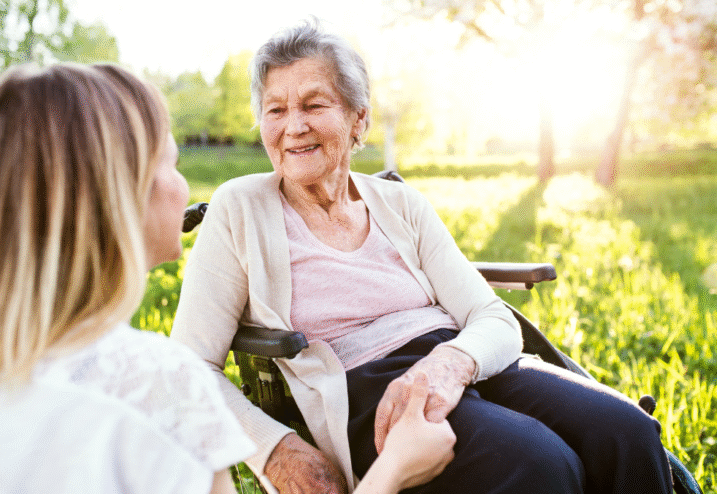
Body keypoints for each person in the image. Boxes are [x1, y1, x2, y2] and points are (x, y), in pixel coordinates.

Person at [170, 19, 674, 494]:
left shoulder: (401, 203)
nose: (293, 126)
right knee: (539, 462)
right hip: (366, 389)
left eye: (314, 105)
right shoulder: (240, 206)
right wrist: (274, 449)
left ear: (358, 119)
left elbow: (492, 318)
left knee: (626, 429)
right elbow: (189, 366)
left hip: (460, 358)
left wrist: (450, 364)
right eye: (275, 110)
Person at [0, 62, 455, 494]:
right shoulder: (159, 382)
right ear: (121, 195)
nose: (183, 188)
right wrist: (394, 468)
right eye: (171, 162)